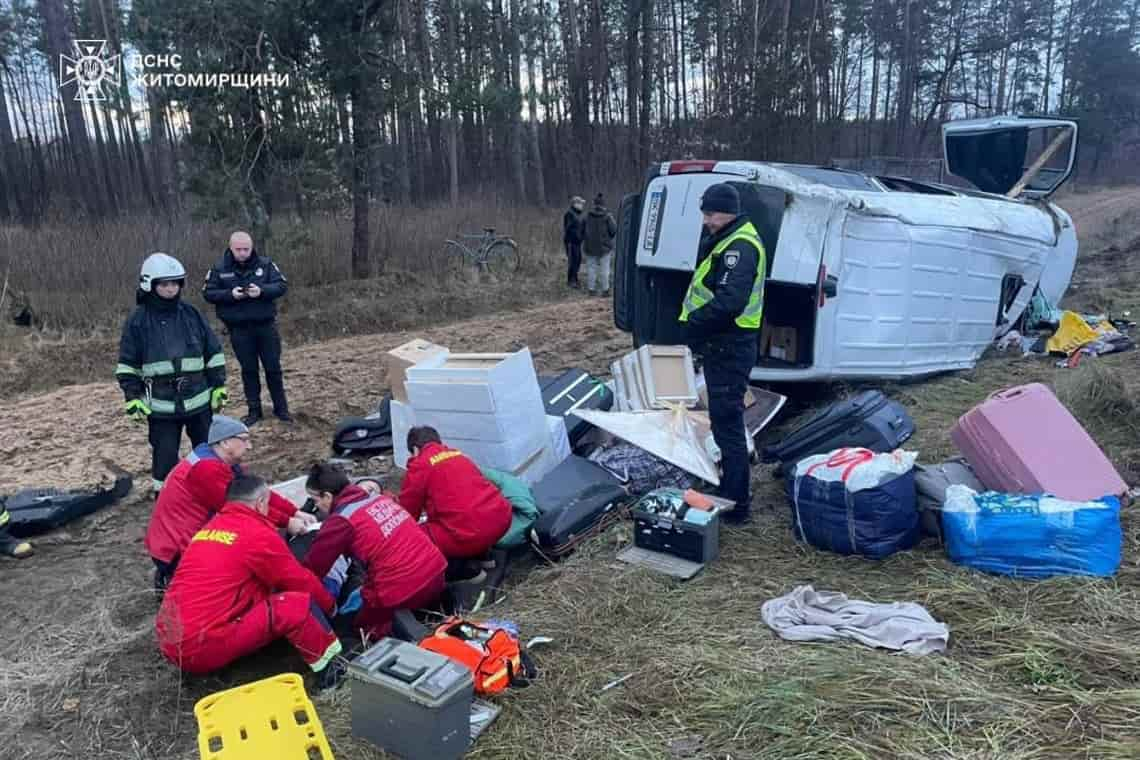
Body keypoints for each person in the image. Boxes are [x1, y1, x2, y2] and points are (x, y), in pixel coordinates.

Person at [156, 475, 344, 688]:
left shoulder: (209, 529)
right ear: (260, 503)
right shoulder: (256, 535)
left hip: (172, 639)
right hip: (201, 646)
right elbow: (298, 580)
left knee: (259, 590)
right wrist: (331, 607)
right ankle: (333, 673)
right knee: (295, 606)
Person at [677, 183, 766, 524]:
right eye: (704, 214)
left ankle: (736, 505)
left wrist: (692, 326)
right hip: (724, 345)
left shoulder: (740, 246)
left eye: (710, 214)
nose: (706, 221)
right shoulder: (730, 238)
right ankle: (732, 491)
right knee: (724, 422)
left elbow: (730, 303)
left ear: (728, 211)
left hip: (730, 346)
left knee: (728, 426)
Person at [145, 414, 314, 590]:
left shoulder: (219, 458)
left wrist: (294, 512)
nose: (250, 446)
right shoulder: (207, 470)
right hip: (175, 549)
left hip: (174, 538)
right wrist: (287, 522)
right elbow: (243, 508)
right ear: (225, 443)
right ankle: (172, 580)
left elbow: (257, 492)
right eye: (244, 440)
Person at [116, 253, 228, 497]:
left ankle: (215, 490)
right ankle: (166, 497)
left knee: (209, 449)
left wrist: (218, 385)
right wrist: (132, 397)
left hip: (199, 399)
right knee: (164, 455)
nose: (170, 289)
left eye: (175, 283)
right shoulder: (137, 321)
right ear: (150, 285)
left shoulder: (191, 314)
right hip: (161, 405)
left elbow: (213, 352)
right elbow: (127, 365)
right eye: (164, 284)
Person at [302, 463, 447, 641]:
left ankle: (395, 631)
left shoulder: (341, 520)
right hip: (436, 575)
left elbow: (314, 567)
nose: (316, 506)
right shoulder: (379, 499)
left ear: (327, 495)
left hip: (403, 590)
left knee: (351, 625)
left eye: (316, 500)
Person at [203, 231, 291, 426]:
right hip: (239, 329)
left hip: (266, 326)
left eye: (246, 249)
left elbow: (281, 285)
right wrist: (230, 294)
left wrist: (262, 291)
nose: (242, 253)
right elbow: (208, 293)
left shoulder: (266, 264)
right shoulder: (219, 268)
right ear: (231, 248)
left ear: (251, 248)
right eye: (238, 249)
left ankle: (282, 409)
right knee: (249, 370)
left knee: (273, 368)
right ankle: (254, 411)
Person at [398, 427, 513, 566]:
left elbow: (407, 514)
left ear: (415, 449)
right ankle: (484, 555)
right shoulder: (459, 455)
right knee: (466, 512)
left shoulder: (420, 465)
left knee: (415, 536)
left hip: (471, 534)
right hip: (502, 520)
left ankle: (466, 571)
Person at [583, 193, 617, 297]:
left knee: (591, 269)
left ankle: (591, 290)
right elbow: (614, 230)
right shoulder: (608, 216)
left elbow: (582, 230)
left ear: (594, 204)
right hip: (605, 247)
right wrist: (608, 239)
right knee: (605, 269)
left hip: (589, 246)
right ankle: (605, 290)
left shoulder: (587, 216)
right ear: (603, 204)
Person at [562, 196, 586, 289]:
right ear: (575, 204)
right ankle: (571, 281)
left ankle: (575, 279)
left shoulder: (578, 214)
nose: (582, 205)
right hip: (571, 242)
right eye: (580, 204)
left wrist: (582, 236)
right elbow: (568, 229)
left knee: (578, 260)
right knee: (573, 261)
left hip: (577, 242)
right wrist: (576, 236)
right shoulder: (569, 214)